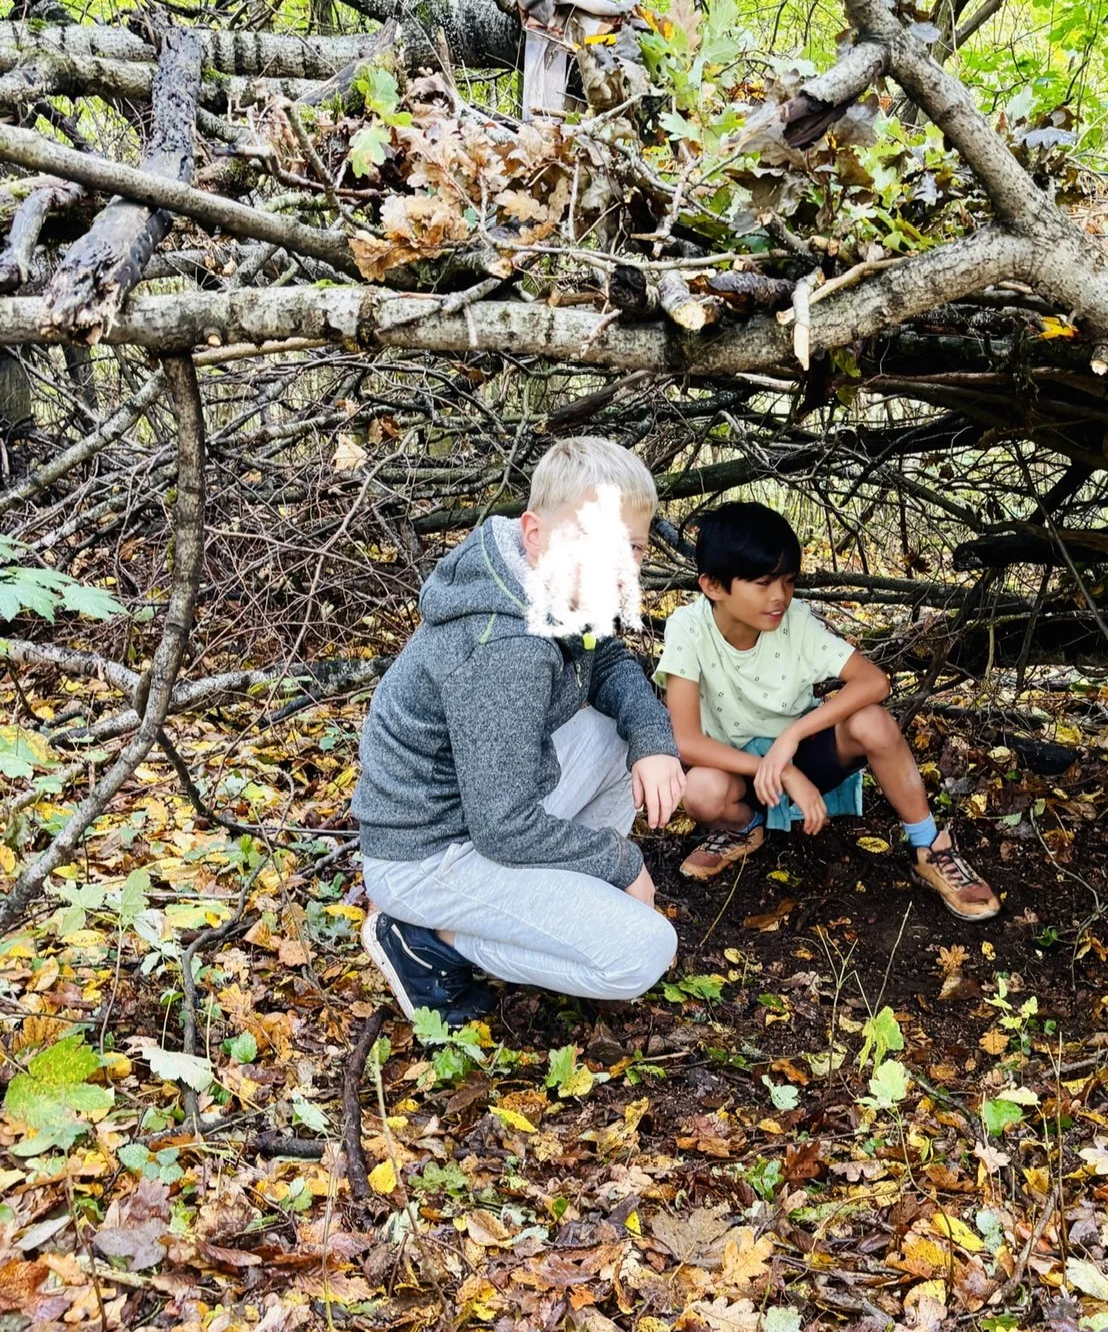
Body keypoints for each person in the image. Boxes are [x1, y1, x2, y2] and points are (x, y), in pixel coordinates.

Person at [353, 437, 686, 1028]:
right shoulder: (506, 647)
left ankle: (550, 908)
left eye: (631, 548)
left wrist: (653, 740)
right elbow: (503, 827)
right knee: (643, 953)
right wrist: (620, 861)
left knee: (617, 737)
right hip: (427, 856)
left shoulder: (543, 583)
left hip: (479, 814)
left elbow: (606, 660)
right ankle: (427, 938)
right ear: (535, 534)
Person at [656, 501, 999, 921]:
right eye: (763, 583)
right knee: (699, 792)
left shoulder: (794, 621)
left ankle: (927, 846)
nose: (780, 596)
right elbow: (686, 743)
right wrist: (781, 770)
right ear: (712, 585)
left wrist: (792, 738)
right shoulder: (688, 630)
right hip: (737, 770)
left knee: (873, 721)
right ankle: (742, 828)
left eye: (787, 580)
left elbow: (874, 682)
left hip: (803, 754)